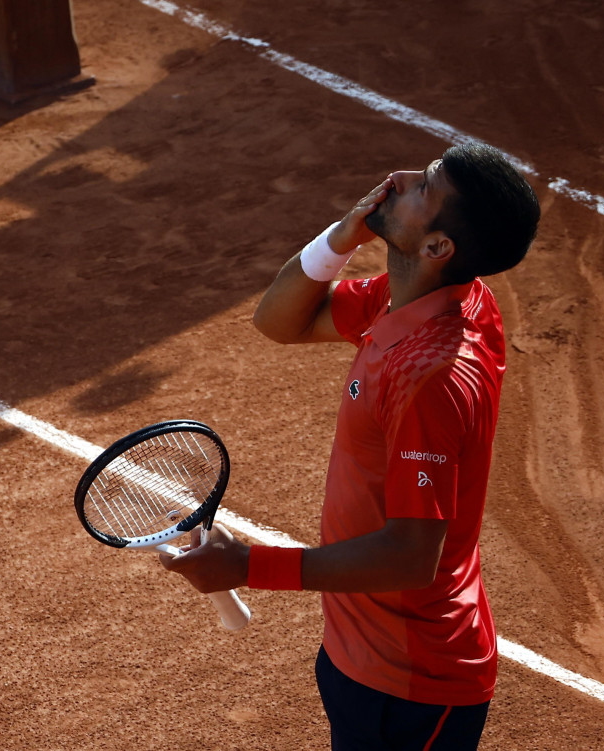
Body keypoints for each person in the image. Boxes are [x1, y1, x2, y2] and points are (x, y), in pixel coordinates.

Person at [160, 141, 541, 750]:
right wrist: (343, 235)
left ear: (439, 247)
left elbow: (411, 557)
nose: (400, 177)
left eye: (425, 186)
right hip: (361, 649)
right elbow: (277, 321)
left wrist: (250, 566)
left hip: (412, 679)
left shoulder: (432, 376)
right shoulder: (424, 300)